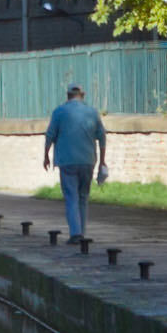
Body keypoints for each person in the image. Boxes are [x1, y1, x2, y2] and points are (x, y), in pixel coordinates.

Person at [44, 82, 107, 245]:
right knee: (83, 197)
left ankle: (75, 233)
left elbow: (50, 135)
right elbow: (102, 137)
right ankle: (82, 233)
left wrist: (46, 156)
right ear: (83, 95)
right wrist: (102, 161)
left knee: (71, 197)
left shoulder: (59, 112)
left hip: (67, 160)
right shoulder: (92, 112)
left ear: (67, 96)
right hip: (87, 160)